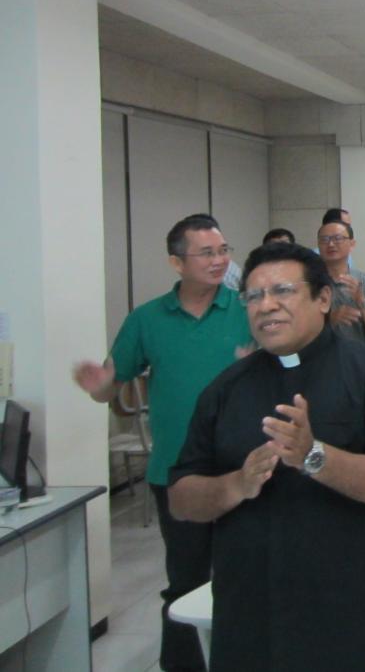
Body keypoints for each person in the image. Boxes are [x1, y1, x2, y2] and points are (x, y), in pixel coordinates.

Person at [168, 241, 365, 672]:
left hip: (350, 622)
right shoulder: (225, 389)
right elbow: (180, 498)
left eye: (282, 291)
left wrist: (314, 456)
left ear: (323, 299)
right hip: (249, 623)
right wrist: (236, 484)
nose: (266, 306)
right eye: (254, 296)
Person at [73, 215, 251, 672]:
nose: (219, 260)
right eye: (206, 253)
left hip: (246, 469)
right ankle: (183, 664)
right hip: (177, 472)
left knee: (248, 577)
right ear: (177, 262)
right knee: (186, 580)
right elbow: (109, 387)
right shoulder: (147, 319)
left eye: (223, 250)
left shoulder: (247, 309)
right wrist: (98, 384)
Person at [317, 219, 365, 343]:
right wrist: (330, 320)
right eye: (324, 239)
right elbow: (297, 331)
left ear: (352, 244)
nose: (331, 244)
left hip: (359, 354)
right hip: (320, 353)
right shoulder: (309, 282)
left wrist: (362, 301)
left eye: (338, 238)